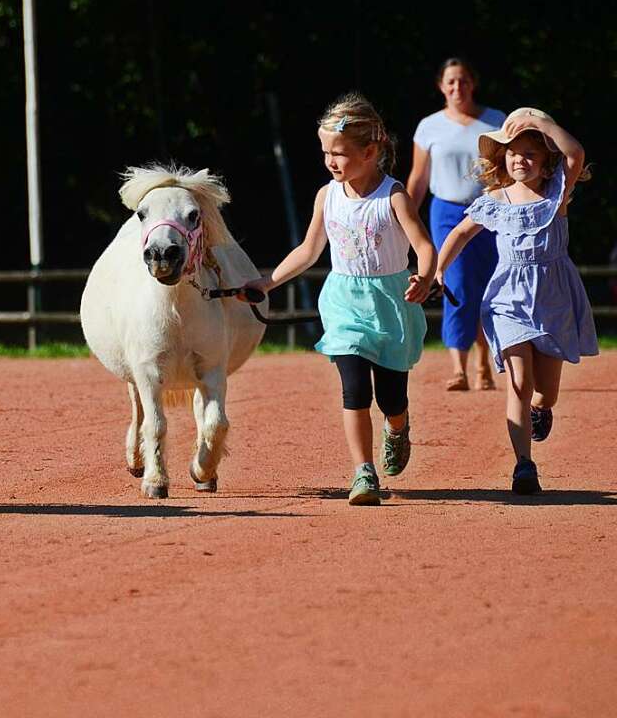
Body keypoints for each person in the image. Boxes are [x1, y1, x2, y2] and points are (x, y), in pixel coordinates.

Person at [242, 93, 436, 505]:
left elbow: (424, 245)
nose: (331, 160)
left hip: (390, 303)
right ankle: (364, 473)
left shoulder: (393, 196)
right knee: (354, 389)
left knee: (390, 398)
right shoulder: (327, 196)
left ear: (369, 151)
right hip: (345, 302)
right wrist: (266, 282)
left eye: (340, 153)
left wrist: (425, 276)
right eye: (326, 151)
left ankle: (397, 427)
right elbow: (309, 251)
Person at [436, 108, 597, 494]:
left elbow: (575, 154)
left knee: (545, 392)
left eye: (529, 153)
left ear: (545, 164)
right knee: (519, 384)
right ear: (501, 158)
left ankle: (543, 409)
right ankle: (524, 466)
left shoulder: (557, 193)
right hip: (508, 296)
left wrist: (541, 124)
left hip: (553, 296)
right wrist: (438, 270)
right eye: (512, 152)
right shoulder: (494, 200)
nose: (519, 159)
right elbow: (459, 233)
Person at [406, 57, 506, 391]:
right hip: (447, 211)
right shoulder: (429, 126)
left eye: (463, 80)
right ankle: (459, 368)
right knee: (457, 283)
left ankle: (484, 365)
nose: (457, 87)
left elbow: (509, 171)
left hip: (490, 210)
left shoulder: (496, 121)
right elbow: (419, 178)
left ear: (473, 83)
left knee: (489, 285)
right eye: (450, 81)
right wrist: (403, 217)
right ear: (441, 86)